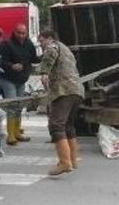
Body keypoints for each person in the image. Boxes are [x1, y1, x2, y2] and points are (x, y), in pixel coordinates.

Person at [36, 29, 84, 176]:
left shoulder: (53, 46)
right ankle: (72, 160)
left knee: (56, 125)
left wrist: (44, 72)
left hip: (63, 91)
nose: (41, 44)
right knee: (68, 125)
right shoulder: (66, 49)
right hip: (77, 90)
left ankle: (64, 162)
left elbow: (50, 53)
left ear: (49, 38)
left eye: (42, 41)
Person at [0, 23, 40, 145]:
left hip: (21, 80)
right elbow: (0, 61)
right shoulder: (7, 44)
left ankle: (17, 133)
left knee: (19, 106)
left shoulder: (28, 44)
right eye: (19, 33)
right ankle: (10, 135)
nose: (22, 35)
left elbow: (34, 59)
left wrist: (45, 55)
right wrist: (12, 65)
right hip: (8, 78)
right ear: (14, 32)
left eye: (23, 33)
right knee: (12, 106)